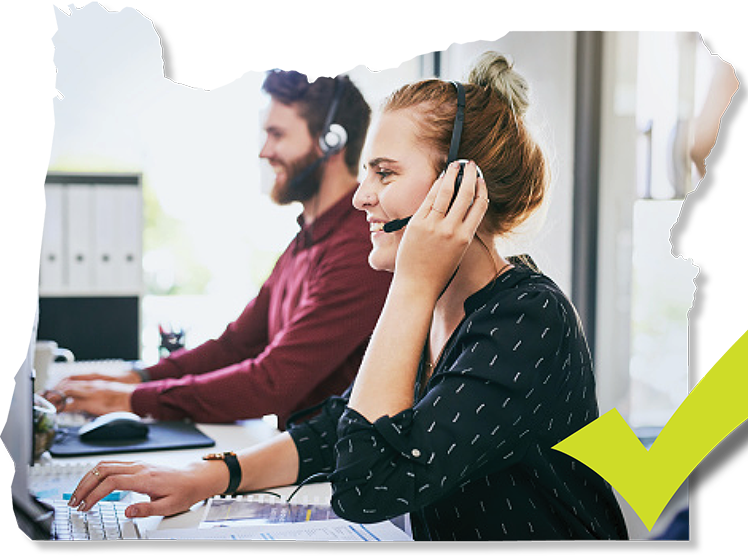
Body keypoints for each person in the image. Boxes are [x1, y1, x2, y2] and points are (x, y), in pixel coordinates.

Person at [68, 52, 628, 540]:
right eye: (365, 173)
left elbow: (370, 486)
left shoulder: (527, 318)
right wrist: (213, 475)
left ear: (459, 187)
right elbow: (339, 426)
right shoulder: (440, 308)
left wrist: (410, 285)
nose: (361, 197)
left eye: (384, 175)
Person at [46, 71, 393, 428]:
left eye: (277, 134)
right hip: (290, 459)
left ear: (331, 142)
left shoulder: (359, 249)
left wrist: (131, 400)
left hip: (326, 472)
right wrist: (137, 379)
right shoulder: (305, 240)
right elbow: (234, 346)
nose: (264, 151)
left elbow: (272, 382)